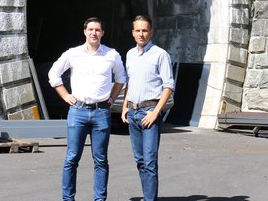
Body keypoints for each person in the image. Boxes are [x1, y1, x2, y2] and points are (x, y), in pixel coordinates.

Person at [48, 17, 126, 201]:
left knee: (100, 160)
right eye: (90, 29)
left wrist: (113, 98)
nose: (94, 33)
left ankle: (100, 199)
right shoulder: (73, 53)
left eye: (97, 30)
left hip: (101, 112)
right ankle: (68, 199)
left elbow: (121, 78)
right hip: (78, 111)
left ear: (102, 33)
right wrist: (66, 95)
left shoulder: (111, 54)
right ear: (84, 31)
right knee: (72, 158)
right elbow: (53, 74)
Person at [120, 15, 175, 201]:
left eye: (145, 30)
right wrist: (124, 107)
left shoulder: (160, 54)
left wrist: (156, 112)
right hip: (133, 113)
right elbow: (130, 82)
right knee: (140, 161)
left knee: (150, 161)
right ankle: (147, 196)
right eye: (138, 30)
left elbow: (169, 86)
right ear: (133, 33)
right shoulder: (130, 54)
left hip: (150, 112)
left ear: (151, 32)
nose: (141, 34)